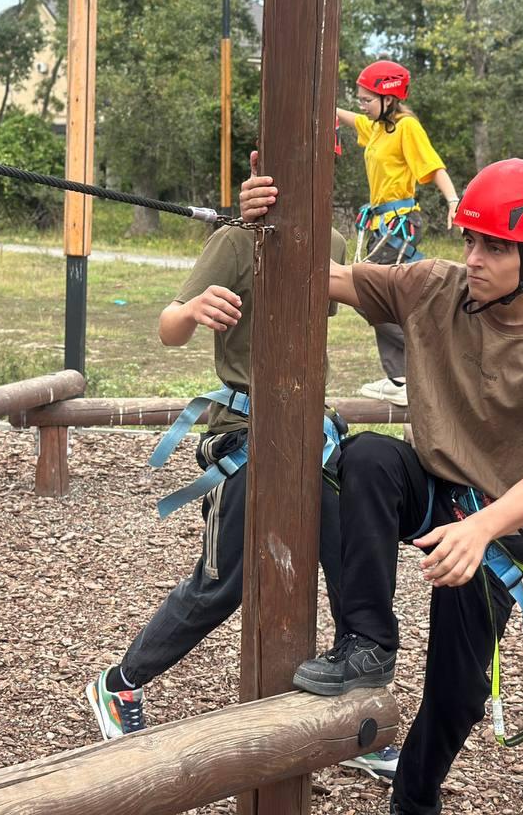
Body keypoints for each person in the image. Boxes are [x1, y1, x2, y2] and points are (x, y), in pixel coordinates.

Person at [240, 159, 523, 815]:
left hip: (493, 525)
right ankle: (368, 643)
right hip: (425, 483)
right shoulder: (433, 286)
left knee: (457, 695)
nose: (475, 258)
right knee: (366, 458)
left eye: (495, 246)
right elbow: (329, 278)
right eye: (470, 240)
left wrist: (482, 528)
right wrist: (261, 225)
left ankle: (414, 796)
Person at [85, 152, 349, 741]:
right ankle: (120, 681)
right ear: (264, 166)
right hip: (247, 431)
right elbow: (167, 325)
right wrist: (194, 309)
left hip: (310, 429)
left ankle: (346, 704)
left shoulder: (331, 238)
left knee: (350, 555)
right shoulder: (235, 242)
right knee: (223, 582)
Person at [337, 60, 459, 408]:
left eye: (367, 100)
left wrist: (453, 201)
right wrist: (327, 109)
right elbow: (354, 120)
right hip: (380, 227)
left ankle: (424, 360)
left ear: (389, 99)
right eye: (359, 99)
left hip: (400, 226)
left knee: (365, 290)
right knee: (377, 297)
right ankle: (403, 378)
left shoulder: (406, 127)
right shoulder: (376, 127)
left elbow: (433, 166)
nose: (362, 105)